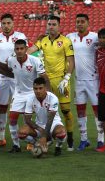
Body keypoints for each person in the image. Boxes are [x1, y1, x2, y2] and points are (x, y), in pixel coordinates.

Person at [0, 39, 50, 152]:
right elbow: (9, 72)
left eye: (22, 48)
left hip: (32, 94)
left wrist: (48, 94)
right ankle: (16, 145)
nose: (19, 51)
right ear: (14, 50)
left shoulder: (35, 60)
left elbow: (44, 77)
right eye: (17, 49)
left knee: (31, 120)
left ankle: (33, 142)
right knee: (12, 119)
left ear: (26, 49)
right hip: (18, 94)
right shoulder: (12, 60)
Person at [27, 15, 75, 151]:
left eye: (54, 24)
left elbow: (71, 60)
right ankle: (47, 137)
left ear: (59, 26)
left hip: (61, 81)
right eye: (49, 24)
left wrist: (67, 78)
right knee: (46, 110)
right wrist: (21, 54)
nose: (51, 27)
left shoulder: (66, 41)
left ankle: (70, 137)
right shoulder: (43, 40)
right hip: (46, 81)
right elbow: (31, 50)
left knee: (66, 111)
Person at [0, 13, 27, 147]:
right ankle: (1, 137)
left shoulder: (20, 36)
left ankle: (28, 138)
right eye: (4, 23)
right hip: (3, 76)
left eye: (9, 23)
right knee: (2, 107)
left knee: (24, 108)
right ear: (0, 24)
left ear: (13, 23)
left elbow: (26, 52)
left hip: (18, 77)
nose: (6, 26)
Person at [66, 14, 104, 150]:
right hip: (78, 81)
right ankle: (84, 140)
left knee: (97, 111)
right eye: (77, 22)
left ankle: (100, 140)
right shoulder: (70, 37)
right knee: (80, 110)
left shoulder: (94, 37)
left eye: (82, 22)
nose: (80, 24)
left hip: (94, 81)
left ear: (88, 23)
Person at [18, 77, 67, 156]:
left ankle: (58, 146)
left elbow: (50, 120)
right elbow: (27, 119)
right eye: (35, 88)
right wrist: (40, 129)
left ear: (45, 88)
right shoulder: (30, 98)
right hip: (39, 124)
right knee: (21, 133)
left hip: (54, 124)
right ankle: (36, 143)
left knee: (61, 133)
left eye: (40, 88)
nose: (38, 91)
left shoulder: (53, 98)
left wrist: (44, 136)